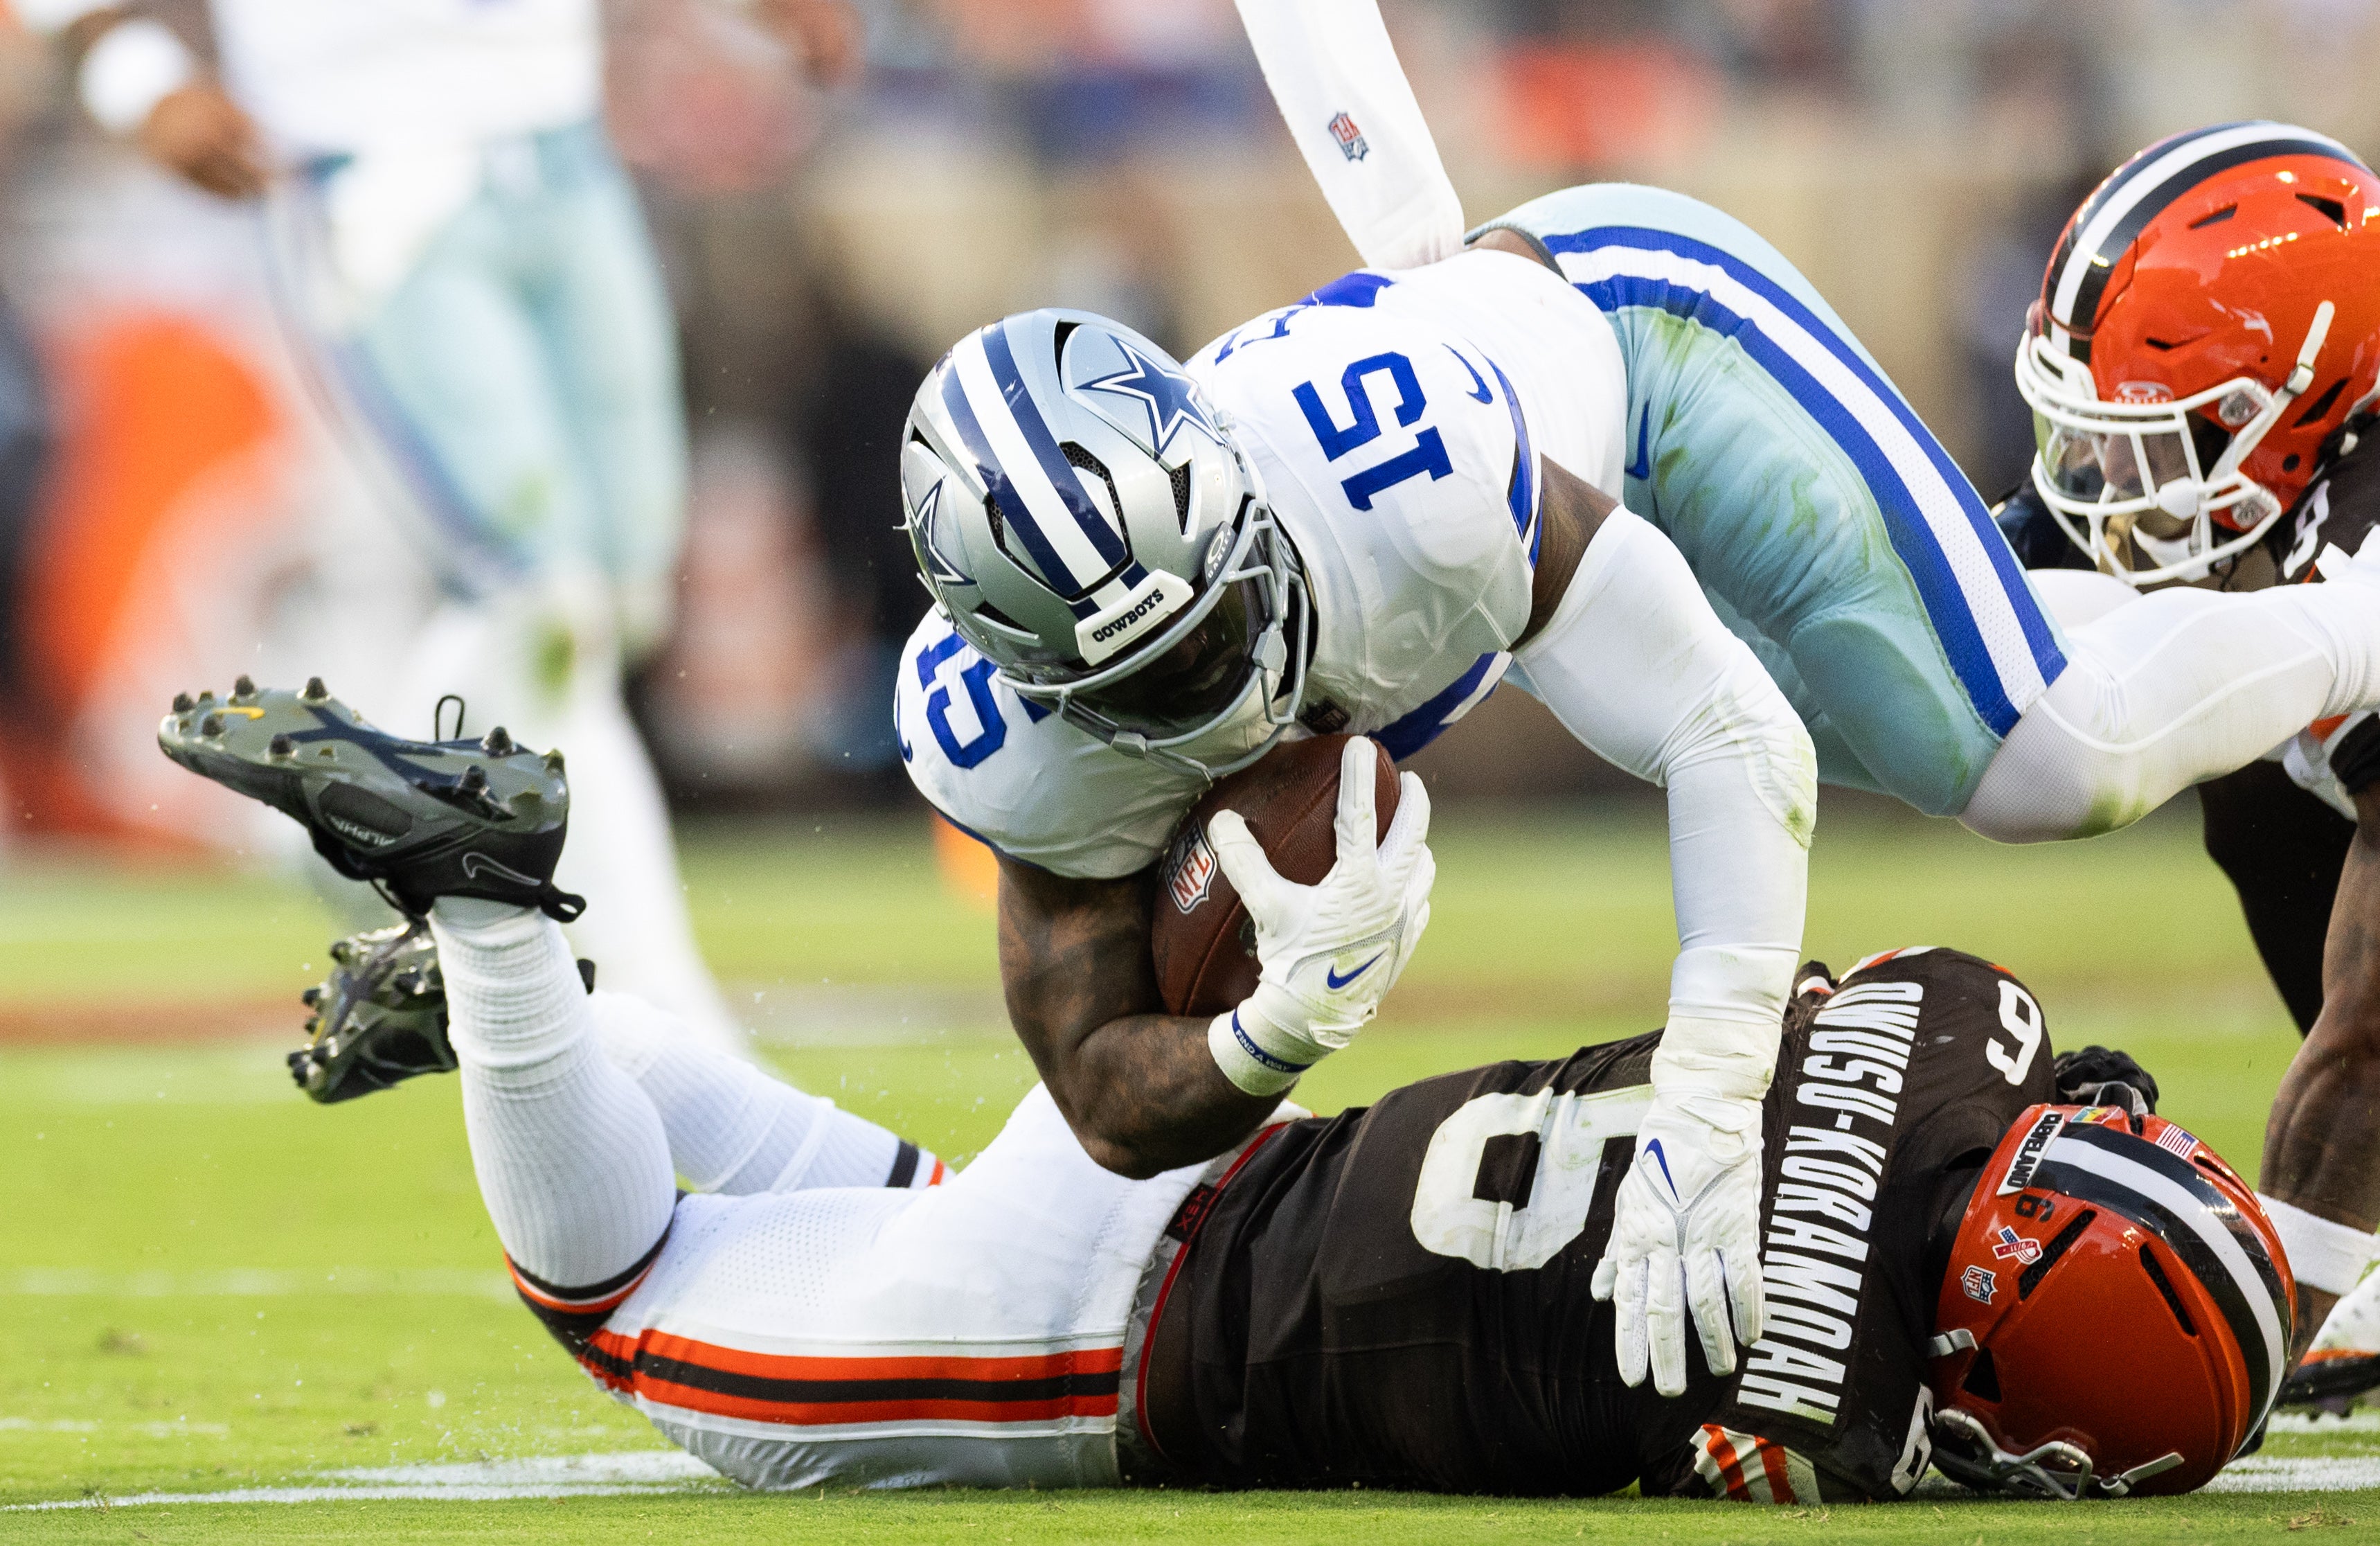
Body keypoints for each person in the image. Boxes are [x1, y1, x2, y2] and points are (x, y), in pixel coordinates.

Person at [886, 21, 2380, 1403]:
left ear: (1228, 487)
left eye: (1222, 615)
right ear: (1030, 676)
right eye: (1156, 683)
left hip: (1650, 352)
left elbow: (1730, 737)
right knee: (1949, 689)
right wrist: (1268, 1037)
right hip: (1513, 533)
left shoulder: (1412, 490)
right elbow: (1102, 1094)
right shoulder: (1010, 750)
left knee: (2040, 754)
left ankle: (2357, 629)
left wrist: (1707, 1108)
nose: (1224, 686)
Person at [157, 682, 2291, 1500]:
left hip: (1218, 1175)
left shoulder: (1958, 1031)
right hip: (1135, 1345)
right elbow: (1853, 1405)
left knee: (880, 1206)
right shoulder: (1836, 1402)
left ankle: (539, 1015)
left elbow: (2038, 1072)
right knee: (630, 1316)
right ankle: (504, 924)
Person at [20, 0, 855, 1053]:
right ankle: (662, 1006)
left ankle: (351, 834)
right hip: (374, 172)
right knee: (545, 598)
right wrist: (136, 77)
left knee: (623, 598)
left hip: (564, 154)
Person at [1987, 121, 2380, 1403]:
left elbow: (2372, 1031)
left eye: (2149, 441)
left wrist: (2261, 1318)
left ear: (2295, 408)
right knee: (2250, 746)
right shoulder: (2297, 483)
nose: (2108, 481)